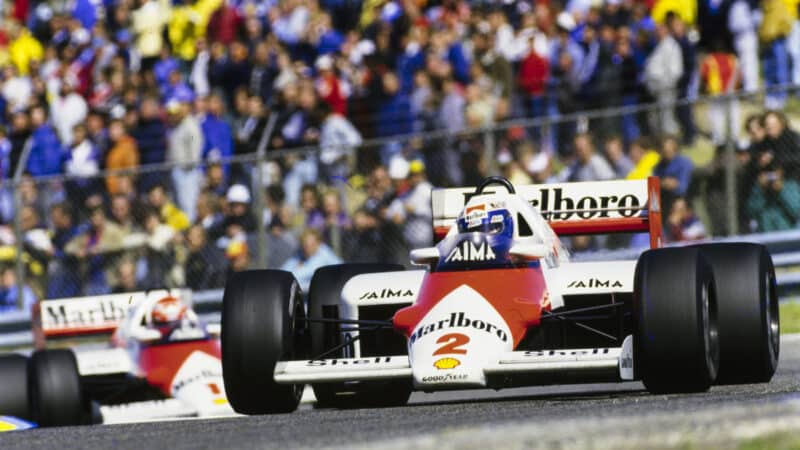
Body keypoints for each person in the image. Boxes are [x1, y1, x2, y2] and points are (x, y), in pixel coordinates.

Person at [166, 96, 203, 222]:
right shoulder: (176, 127)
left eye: (175, 113)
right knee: (178, 204)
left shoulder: (190, 125)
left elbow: (195, 147)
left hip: (187, 172)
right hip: (177, 170)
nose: (172, 116)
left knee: (188, 204)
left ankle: (190, 231)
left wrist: (189, 165)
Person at [746, 165, 800, 232]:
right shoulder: (759, 190)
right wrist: (760, 190)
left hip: (787, 232)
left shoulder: (790, 186)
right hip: (765, 234)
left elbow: (796, 212)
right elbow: (751, 212)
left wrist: (782, 190)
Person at [653, 135, 694, 214]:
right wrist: (664, 183)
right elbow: (654, 186)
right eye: (663, 150)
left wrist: (671, 184)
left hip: (685, 201)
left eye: (669, 150)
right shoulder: (658, 166)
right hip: (664, 201)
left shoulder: (684, 163)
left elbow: (682, 188)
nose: (665, 153)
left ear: (675, 149)